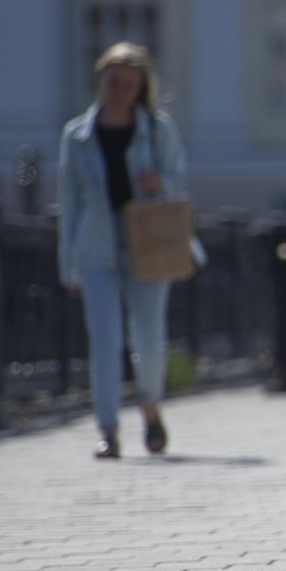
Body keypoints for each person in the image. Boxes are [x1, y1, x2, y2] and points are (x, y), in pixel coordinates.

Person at [57, 42, 188, 459]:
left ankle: (150, 408)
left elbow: (178, 179)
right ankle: (108, 429)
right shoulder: (77, 135)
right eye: (114, 83)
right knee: (104, 341)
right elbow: (68, 202)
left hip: (148, 245)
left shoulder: (157, 129)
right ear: (101, 81)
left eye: (129, 85)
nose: (120, 92)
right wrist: (69, 267)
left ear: (141, 88)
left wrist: (158, 184)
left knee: (149, 340)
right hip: (96, 248)